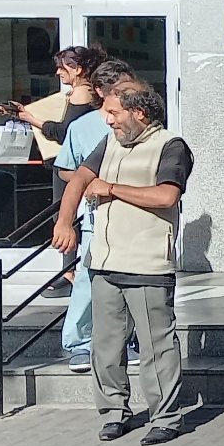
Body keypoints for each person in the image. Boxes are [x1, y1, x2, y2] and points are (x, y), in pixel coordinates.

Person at [51, 82, 197, 445]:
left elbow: (166, 195)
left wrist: (112, 188)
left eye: (115, 112)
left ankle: (165, 417)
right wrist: (64, 222)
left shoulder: (171, 146)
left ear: (140, 113)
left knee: (156, 345)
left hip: (147, 265)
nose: (108, 119)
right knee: (106, 344)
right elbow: (79, 181)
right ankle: (115, 412)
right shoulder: (110, 143)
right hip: (104, 261)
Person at [52, 57, 134, 373]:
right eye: (118, 88)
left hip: (132, 215)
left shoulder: (137, 121)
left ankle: (128, 339)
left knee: (131, 281)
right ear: (100, 91)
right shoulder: (81, 127)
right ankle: (79, 343)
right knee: (88, 280)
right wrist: (84, 183)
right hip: (95, 216)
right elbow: (64, 168)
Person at [0, 44, 104, 145]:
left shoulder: (81, 92)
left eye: (62, 68)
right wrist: (26, 112)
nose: (58, 72)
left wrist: (30, 119)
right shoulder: (87, 90)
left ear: (77, 70)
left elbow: (63, 133)